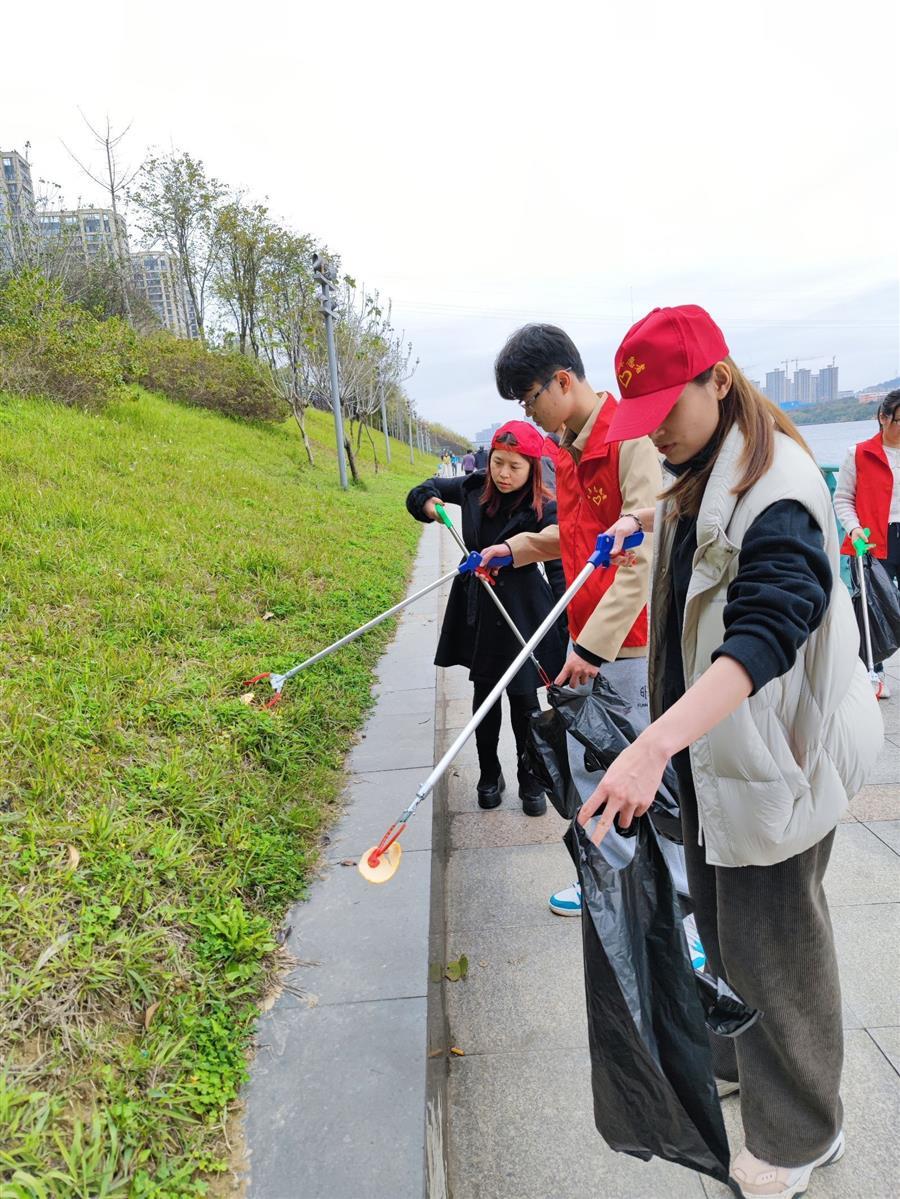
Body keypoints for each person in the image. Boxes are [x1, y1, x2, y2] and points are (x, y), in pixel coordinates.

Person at [577, 305, 883, 1199]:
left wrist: (652, 744)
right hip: (720, 761)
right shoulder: (700, 461)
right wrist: (641, 529)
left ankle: (802, 1133)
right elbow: (688, 524)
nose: (658, 433)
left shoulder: (778, 487)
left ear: (719, 378)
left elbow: (767, 629)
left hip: (774, 760)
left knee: (778, 944)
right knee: (722, 926)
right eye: (644, 419)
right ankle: (748, 1059)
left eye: (670, 408)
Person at [482, 325, 661, 915]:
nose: (530, 415)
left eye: (531, 399)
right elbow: (581, 537)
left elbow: (640, 557)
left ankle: (676, 914)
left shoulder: (631, 439)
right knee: (594, 772)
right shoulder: (567, 447)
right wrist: (516, 549)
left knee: (646, 784)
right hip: (589, 641)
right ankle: (604, 889)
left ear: (562, 380)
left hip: (628, 647)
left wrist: (592, 646)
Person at [406, 421, 566, 815]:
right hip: (478, 602)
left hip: (522, 609)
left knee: (525, 699)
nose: (504, 473)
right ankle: (489, 775)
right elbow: (421, 491)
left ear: (531, 467)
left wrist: (566, 619)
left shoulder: (545, 506)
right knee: (484, 697)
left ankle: (531, 780)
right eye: (498, 462)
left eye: (515, 466)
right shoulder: (472, 487)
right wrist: (429, 505)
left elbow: (559, 560)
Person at [833, 389, 900, 697]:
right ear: (882, 418)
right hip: (872, 542)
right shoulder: (858, 453)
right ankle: (874, 673)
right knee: (871, 611)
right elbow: (843, 498)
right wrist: (854, 528)